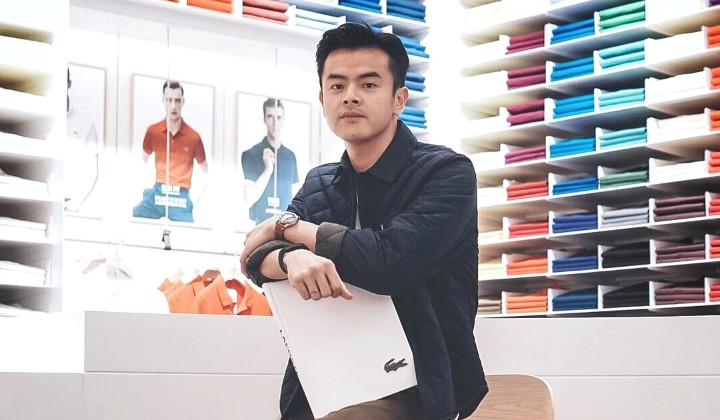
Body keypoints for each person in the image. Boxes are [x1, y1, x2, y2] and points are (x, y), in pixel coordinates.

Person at [241, 23, 487, 420]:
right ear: (322, 99)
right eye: (337, 86)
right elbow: (255, 259)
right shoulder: (320, 182)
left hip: (417, 387)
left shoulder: (447, 173)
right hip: (321, 382)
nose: (350, 96)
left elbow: (390, 263)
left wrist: (288, 228)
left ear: (399, 99)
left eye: (368, 84)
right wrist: (292, 258)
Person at [132, 80, 208, 223]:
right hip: (159, 191)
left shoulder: (193, 137)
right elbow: (141, 161)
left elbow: (205, 173)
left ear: (183, 102)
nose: (173, 106)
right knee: (136, 216)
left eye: (177, 101)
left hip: (181, 195)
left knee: (189, 231)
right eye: (169, 100)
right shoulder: (153, 131)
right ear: (163, 100)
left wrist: (193, 201)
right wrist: (146, 190)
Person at [241, 98, 299, 224]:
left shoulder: (290, 157)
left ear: (283, 120)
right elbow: (249, 199)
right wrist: (268, 170)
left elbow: (295, 200)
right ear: (264, 119)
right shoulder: (251, 154)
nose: (274, 123)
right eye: (270, 117)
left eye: (278, 117)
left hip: (286, 228)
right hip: (260, 226)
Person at [65, 67, 100, 212]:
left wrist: (75, 203)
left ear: (69, 83)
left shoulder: (85, 122)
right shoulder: (38, 116)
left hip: (69, 203)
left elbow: (92, 170)